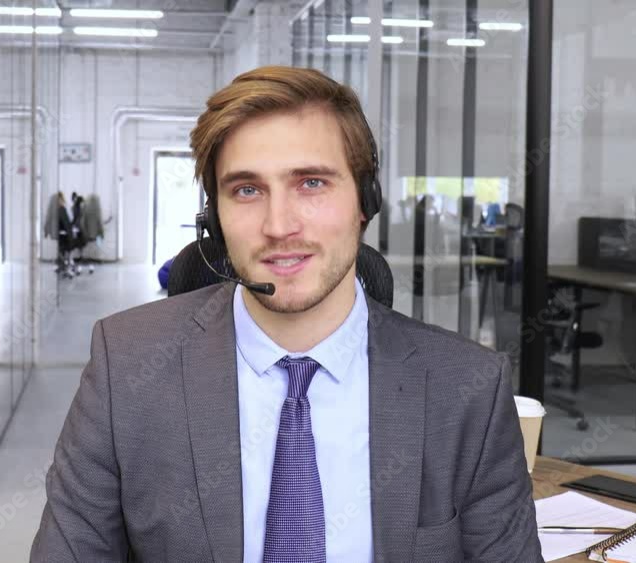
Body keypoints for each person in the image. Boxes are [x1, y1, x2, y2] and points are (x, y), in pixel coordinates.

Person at [30, 66, 542, 562]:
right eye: (247, 190)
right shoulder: (126, 366)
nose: (279, 226)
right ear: (214, 220)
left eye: (312, 183)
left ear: (365, 202)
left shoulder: (469, 387)